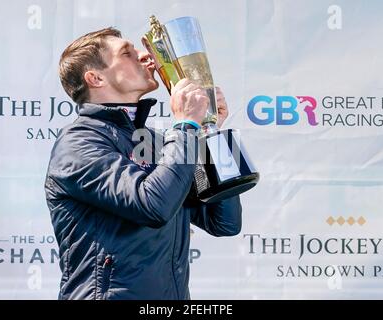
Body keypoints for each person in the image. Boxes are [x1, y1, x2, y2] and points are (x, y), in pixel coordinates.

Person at [44, 27, 242, 300]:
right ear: (96, 78)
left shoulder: (155, 141)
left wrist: (209, 130)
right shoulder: (78, 144)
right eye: (127, 53)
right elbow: (153, 206)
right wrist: (186, 127)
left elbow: (224, 222)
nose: (146, 57)